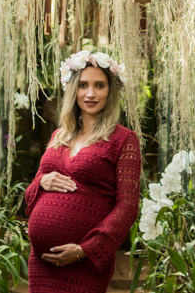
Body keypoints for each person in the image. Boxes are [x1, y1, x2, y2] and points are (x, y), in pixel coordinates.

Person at [23, 50, 141, 293]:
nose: (90, 93)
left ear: (110, 92)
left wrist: (85, 250)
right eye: (84, 85)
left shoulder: (123, 140)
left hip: (84, 263)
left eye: (99, 86)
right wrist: (43, 180)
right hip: (42, 262)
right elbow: (31, 190)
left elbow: (127, 207)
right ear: (73, 90)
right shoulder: (59, 136)